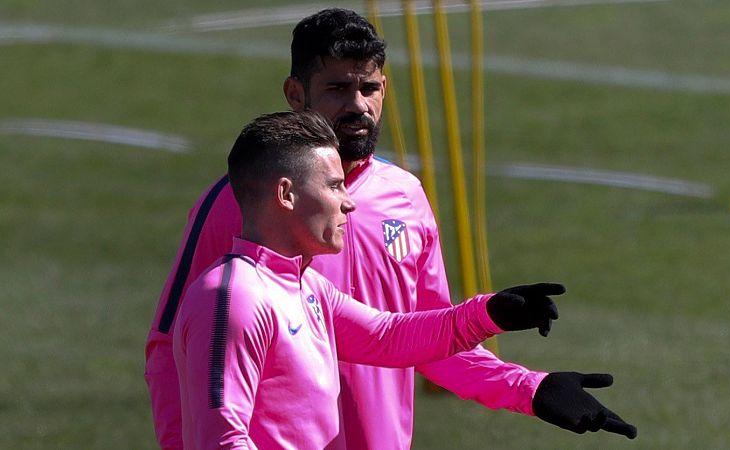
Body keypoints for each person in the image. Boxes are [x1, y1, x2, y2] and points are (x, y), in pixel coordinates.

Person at [145, 8, 636, 449]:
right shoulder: (241, 205)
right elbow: (173, 349)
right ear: (296, 94)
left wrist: (529, 387)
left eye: (370, 88)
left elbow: (408, 338)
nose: (358, 105)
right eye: (338, 88)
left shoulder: (404, 199)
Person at [174, 110, 567, 448]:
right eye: (333, 186)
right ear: (286, 194)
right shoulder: (234, 299)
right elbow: (223, 440)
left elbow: (388, 337)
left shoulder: (306, 287)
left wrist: (490, 314)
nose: (349, 202)